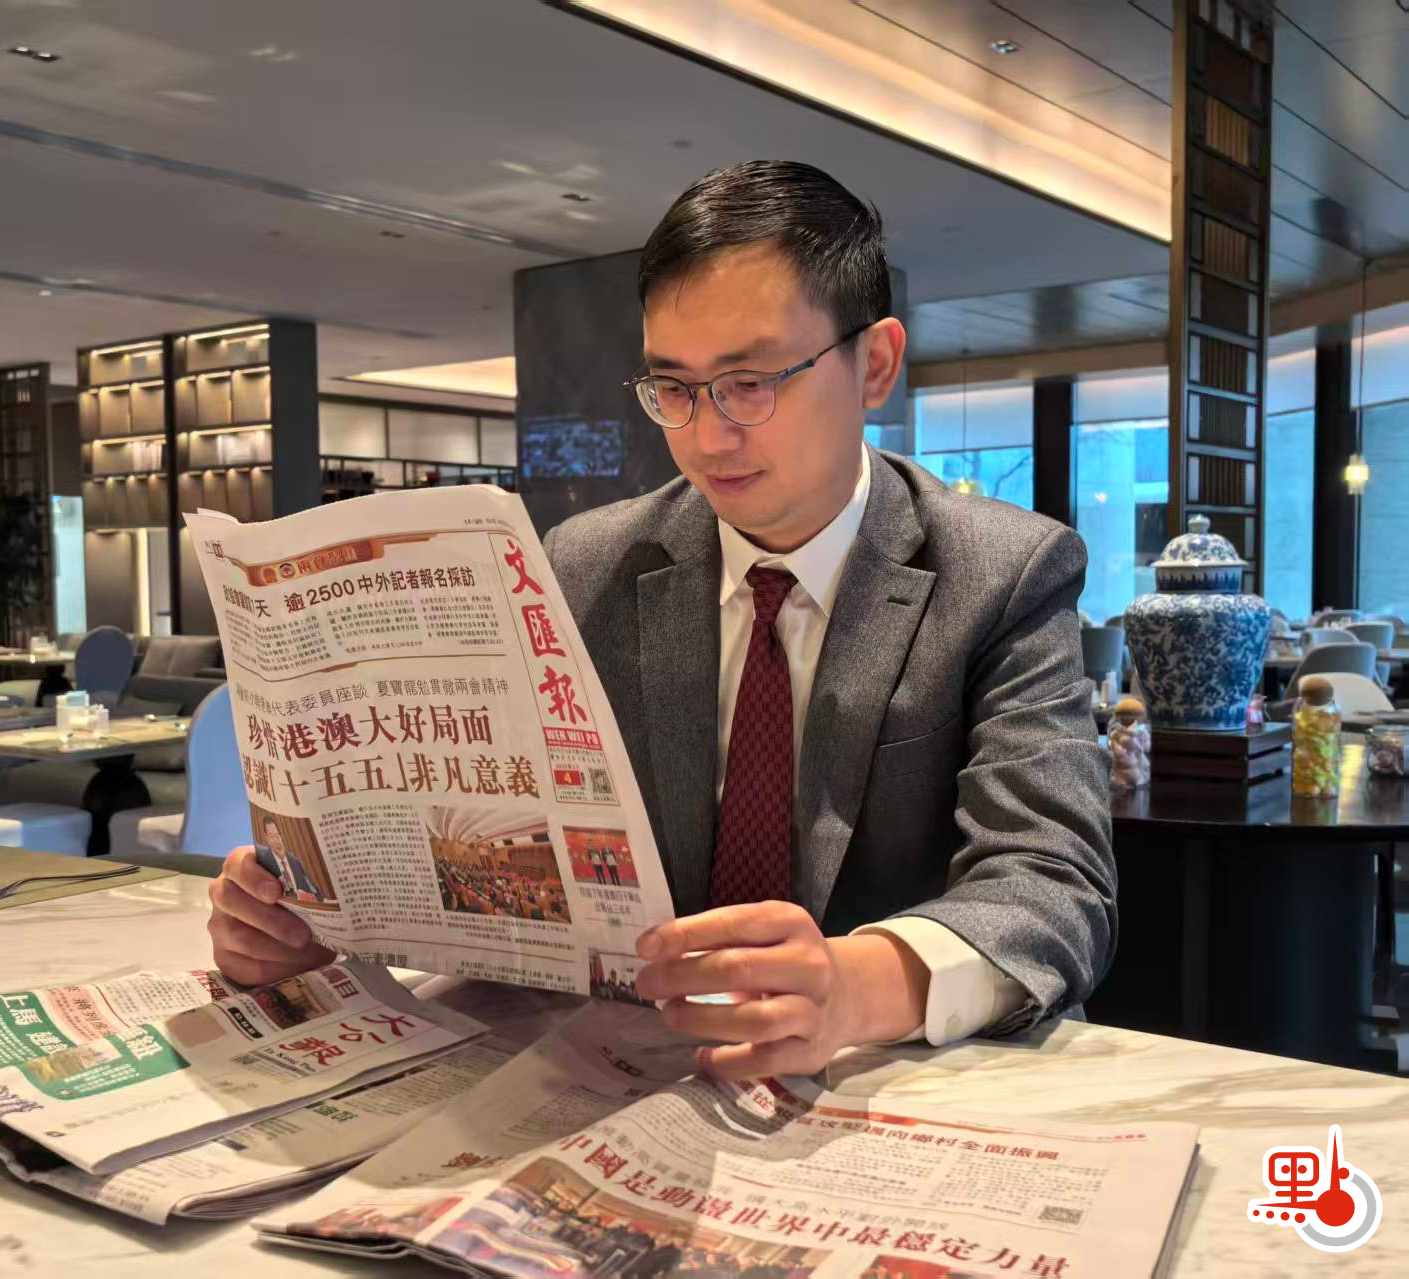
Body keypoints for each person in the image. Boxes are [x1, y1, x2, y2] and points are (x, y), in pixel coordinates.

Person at [205, 160, 1114, 1080]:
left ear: (873, 363)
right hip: (630, 1068)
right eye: (673, 388)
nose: (708, 437)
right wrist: (317, 923)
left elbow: (1055, 883)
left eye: (751, 382)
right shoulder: (589, 563)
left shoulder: (1003, 571)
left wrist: (854, 984)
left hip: (888, 1081)